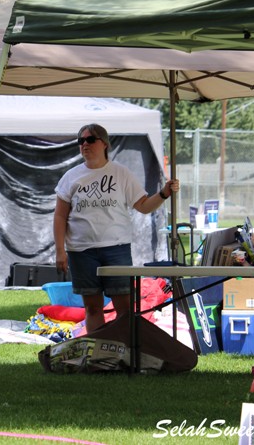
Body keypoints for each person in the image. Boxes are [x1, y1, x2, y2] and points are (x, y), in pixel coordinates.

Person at [54, 123, 179, 334]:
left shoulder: (121, 174)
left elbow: (143, 205)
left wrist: (164, 193)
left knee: (124, 307)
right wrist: (60, 250)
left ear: (104, 144)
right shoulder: (70, 177)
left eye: (90, 139)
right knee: (92, 307)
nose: (84, 144)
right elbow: (60, 215)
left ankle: (124, 350)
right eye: (80, 141)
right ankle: (99, 352)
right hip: (80, 251)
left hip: (116, 249)